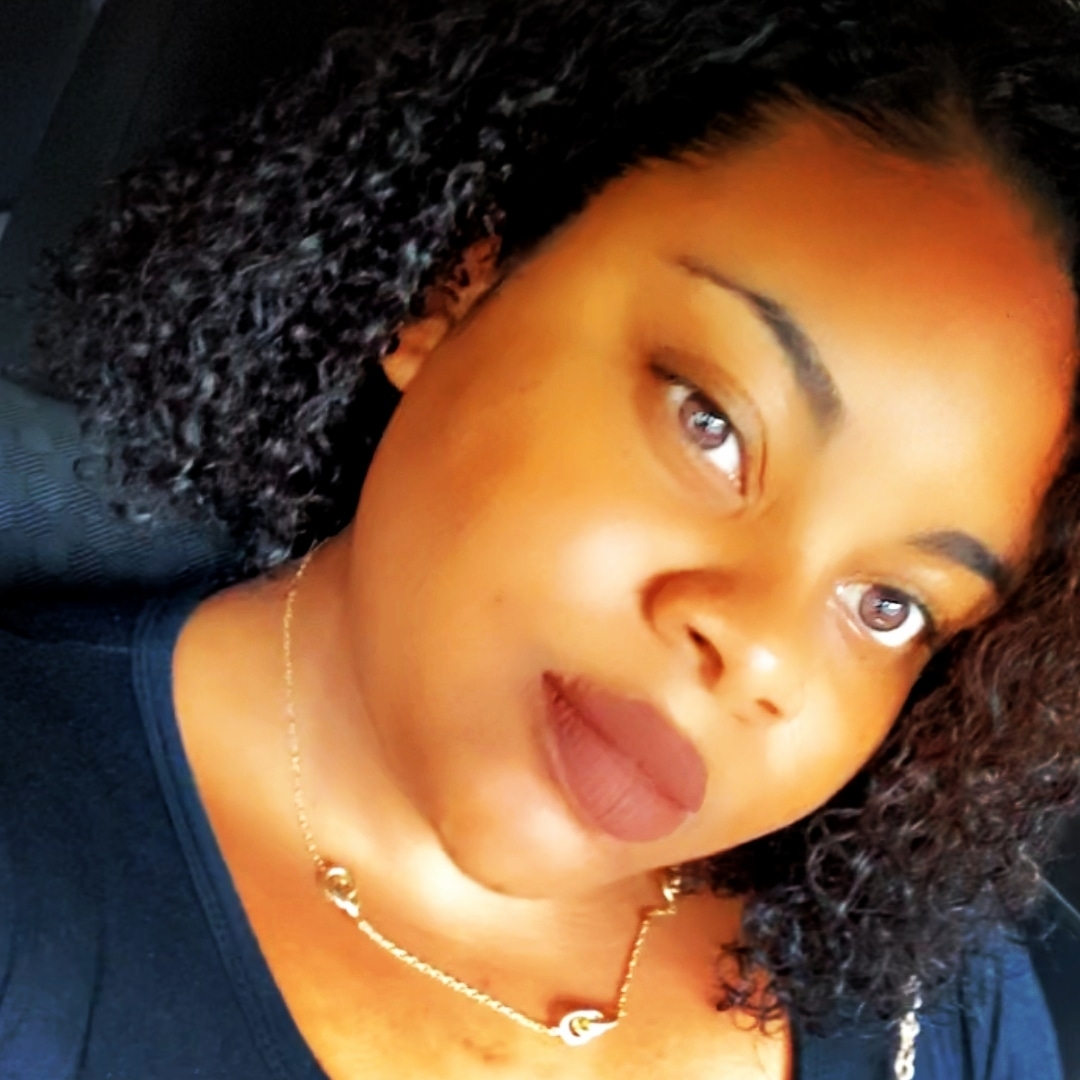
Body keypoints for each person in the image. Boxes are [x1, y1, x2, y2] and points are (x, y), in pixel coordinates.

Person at [2, 0, 1080, 1076]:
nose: (760, 651)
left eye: (889, 607)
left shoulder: (932, 1002)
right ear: (456, 286)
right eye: (712, 425)